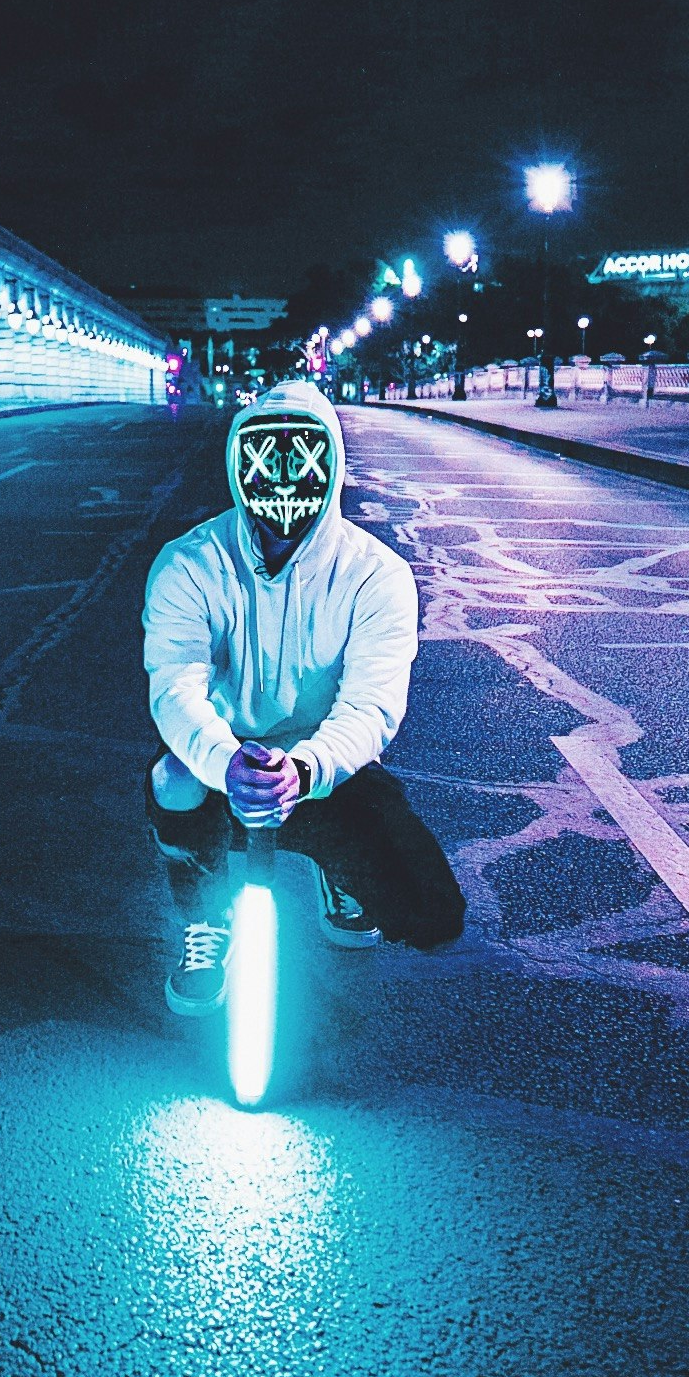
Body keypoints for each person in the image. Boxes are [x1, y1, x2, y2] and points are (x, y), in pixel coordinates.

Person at [142, 379, 465, 1015]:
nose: (285, 488)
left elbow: (371, 707)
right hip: (222, 766)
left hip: (321, 769)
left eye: (304, 465)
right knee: (172, 779)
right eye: (267, 466)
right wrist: (226, 763)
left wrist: (308, 769)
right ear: (239, 467)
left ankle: (334, 866)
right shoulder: (189, 564)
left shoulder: (377, 575)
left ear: (333, 466)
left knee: (432, 916)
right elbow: (174, 687)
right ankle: (204, 920)